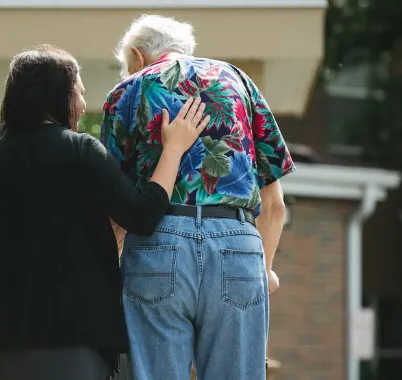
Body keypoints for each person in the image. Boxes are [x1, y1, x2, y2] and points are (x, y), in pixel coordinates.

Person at [0, 44, 210, 380]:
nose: (81, 104)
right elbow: (142, 216)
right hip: (74, 344)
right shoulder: (81, 151)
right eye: (77, 92)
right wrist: (174, 149)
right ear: (56, 95)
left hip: (1, 346)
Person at [101, 15, 296, 380]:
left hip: (157, 246)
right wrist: (264, 269)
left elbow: (114, 210)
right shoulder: (238, 82)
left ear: (137, 55)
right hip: (237, 245)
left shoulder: (127, 92)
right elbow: (275, 204)